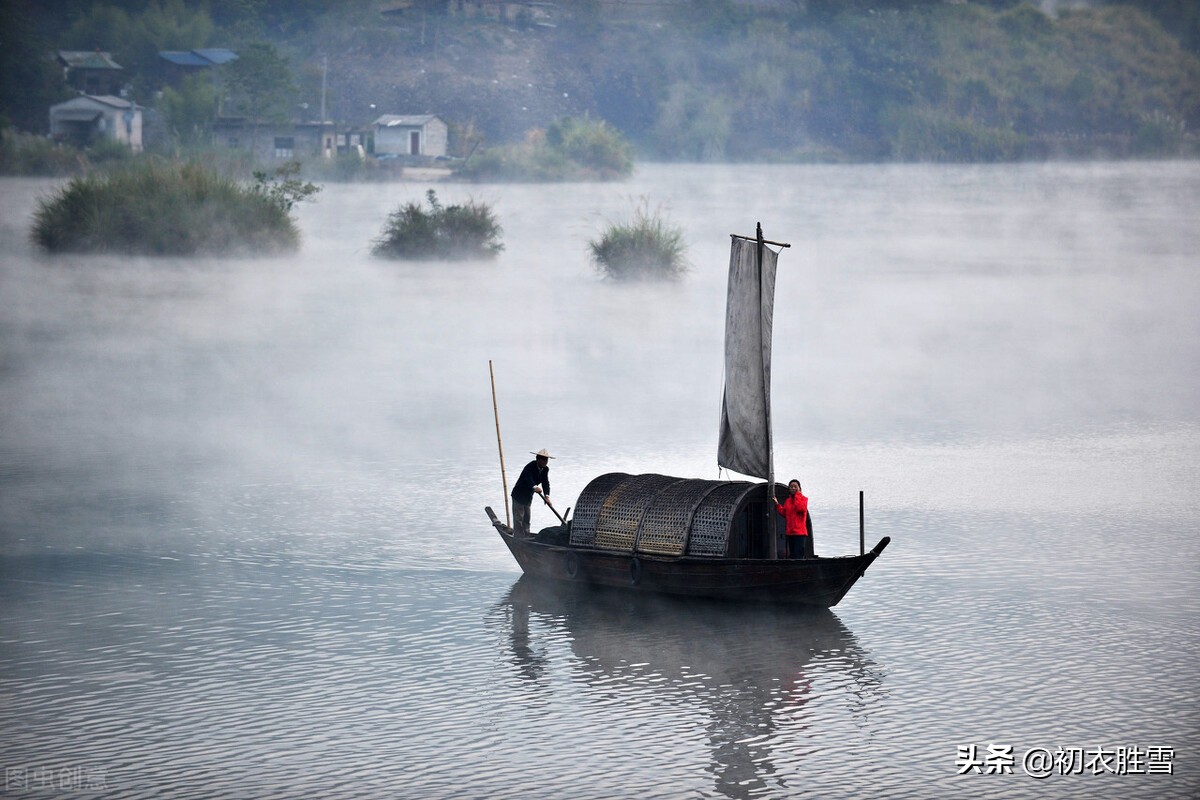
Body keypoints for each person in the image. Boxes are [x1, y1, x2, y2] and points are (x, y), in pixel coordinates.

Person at [511, 449, 553, 536]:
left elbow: (545, 482)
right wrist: (535, 487)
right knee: (519, 518)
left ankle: (526, 535)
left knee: (527, 518)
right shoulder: (530, 466)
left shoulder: (545, 469)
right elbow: (528, 478)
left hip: (528, 496)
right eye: (543, 459)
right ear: (538, 459)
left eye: (546, 460)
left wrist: (547, 496)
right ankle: (518, 537)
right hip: (519, 494)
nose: (545, 462)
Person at [774, 479, 813, 559]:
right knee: (792, 555)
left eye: (795, 487)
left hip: (800, 533)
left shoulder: (803, 499)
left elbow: (800, 508)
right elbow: (784, 513)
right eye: (791, 487)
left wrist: (797, 495)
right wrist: (777, 504)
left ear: (799, 488)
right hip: (790, 533)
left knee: (799, 555)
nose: (793, 488)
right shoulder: (788, 501)